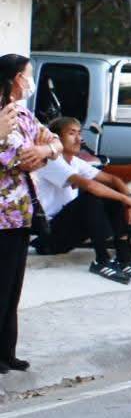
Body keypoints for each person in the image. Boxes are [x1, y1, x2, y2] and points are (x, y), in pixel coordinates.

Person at [0, 54, 60, 375]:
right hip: (3, 215)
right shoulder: (3, 115)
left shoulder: (22, 113)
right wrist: (37, 155)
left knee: (13, 288)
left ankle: (7, 351)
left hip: (21, 213)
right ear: (14, 79)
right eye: (28, 75)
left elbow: (53, 141)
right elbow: (16, 159)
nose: (30, 81)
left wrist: (44, 150)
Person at [32, 117, 131, 283]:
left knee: (111, 193)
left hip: (69, 230)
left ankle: (124, 258)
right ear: (56, 138)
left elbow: (114, 180)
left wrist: (129, 199)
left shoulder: (76, 162)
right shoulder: (51, 161)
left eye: (79, 133)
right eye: (72, 133)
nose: (79, 138)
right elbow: (91, 186)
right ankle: (101, 261)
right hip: (50, 236)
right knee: (91, 196)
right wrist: (126, 200)